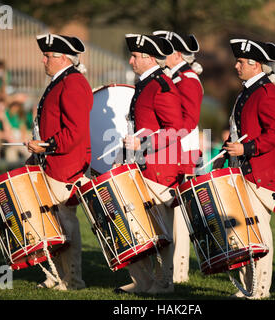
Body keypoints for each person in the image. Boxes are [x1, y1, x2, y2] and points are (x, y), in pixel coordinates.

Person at [213, 38, 275, 299]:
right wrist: (227, 149)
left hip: (260, 174)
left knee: (258, 234)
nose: (236, 66)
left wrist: (246, 149)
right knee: (243, 234)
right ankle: (247, 287)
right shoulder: (248, 90)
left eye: (242, 62)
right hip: (243, 172)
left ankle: (261, 289)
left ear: (256, 65)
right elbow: (240, 130)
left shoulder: (266, 92)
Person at [114, 33, 184, 294]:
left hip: (159, 169)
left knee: (160, 230)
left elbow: (176, 128)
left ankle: (164, 283)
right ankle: (144, 282)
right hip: (141, 166)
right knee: (139, 227)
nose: (130, 60)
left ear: (148, 57)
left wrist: (143, 145)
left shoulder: (161, 85)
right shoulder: (147, 83)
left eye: (134, 56)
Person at [26, 33, 93, 291]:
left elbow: (75, 131)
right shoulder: (62, 81)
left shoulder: (73, 83)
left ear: (62, 58)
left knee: (65, 221)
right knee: (52, 222)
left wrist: (48, 145)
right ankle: (57, 274)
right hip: (54, 161)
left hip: (65, 164)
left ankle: (73, 279)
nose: (43, 60)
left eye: (48, 56)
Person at [153, 30, 203, 283]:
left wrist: (163, 139)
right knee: (170, 214)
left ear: (178, 54)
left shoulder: (188, 79)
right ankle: (172, 267)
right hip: (174, 150)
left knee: (180, 217)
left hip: (183, 152)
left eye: (165, 51)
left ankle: (180, 270)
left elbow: (189, 122)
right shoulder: (176, 77)